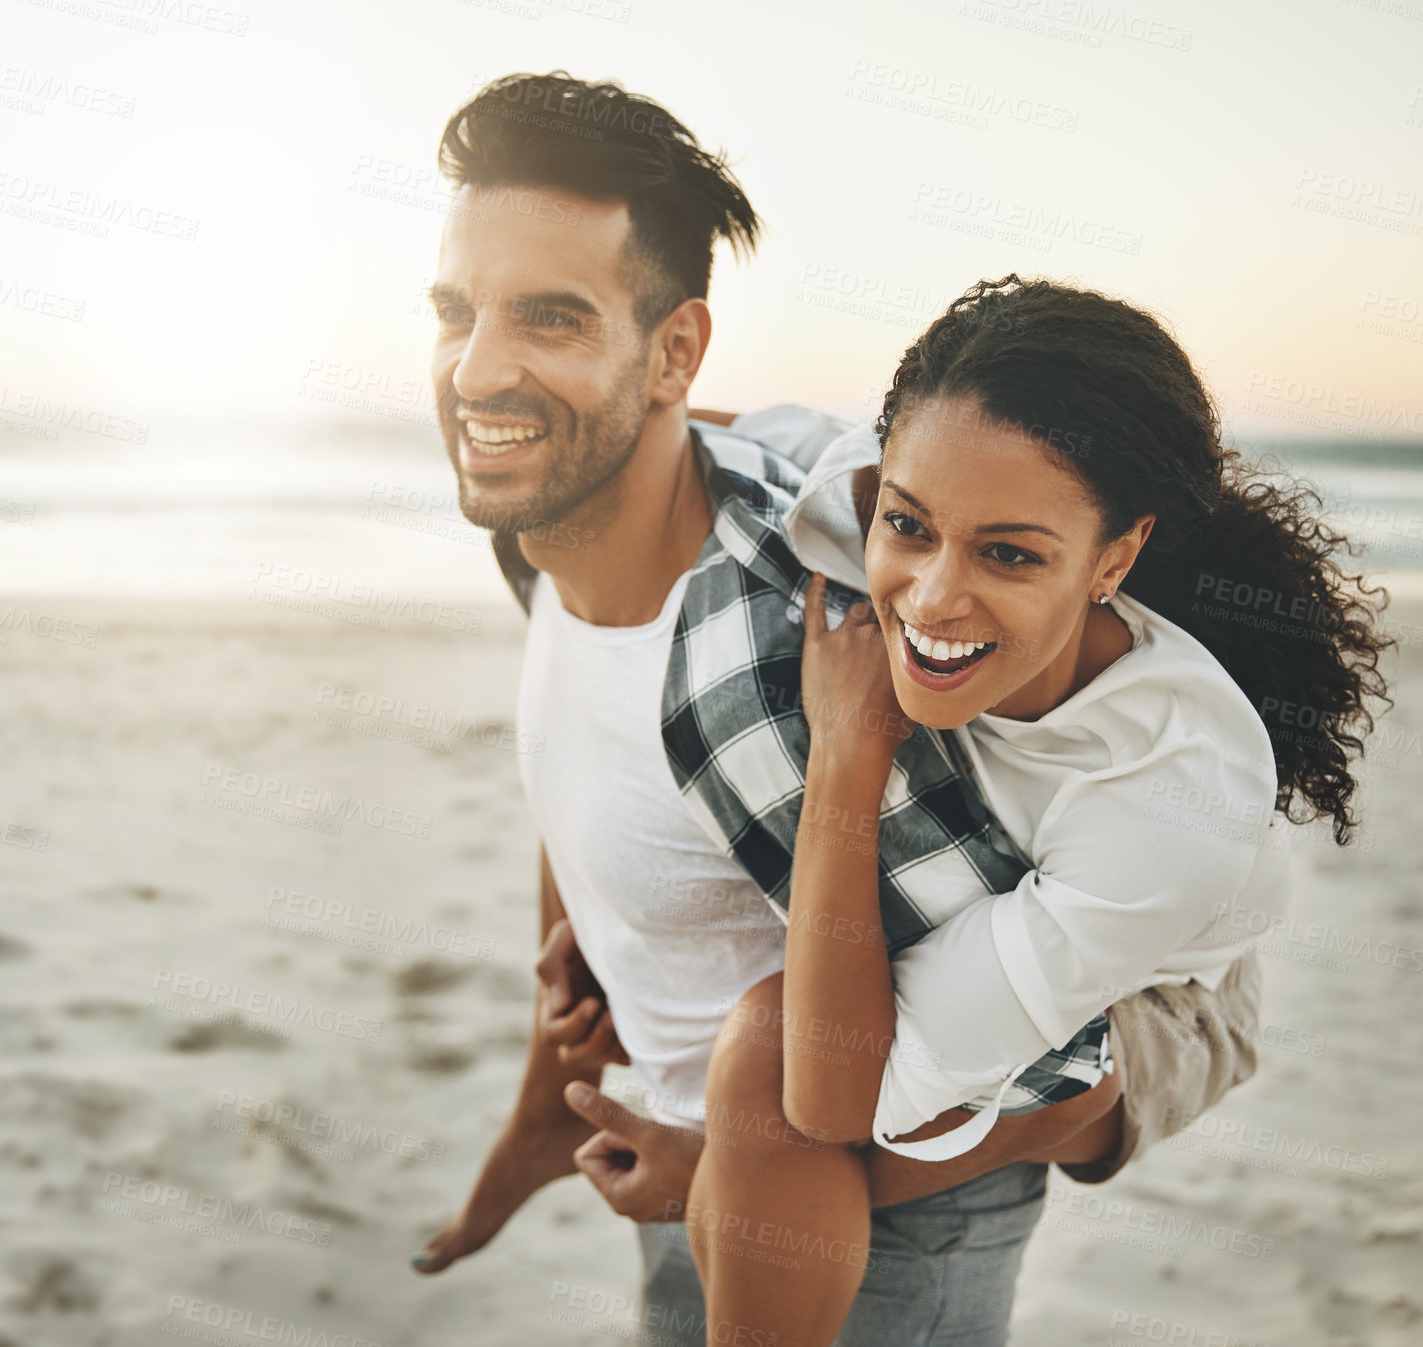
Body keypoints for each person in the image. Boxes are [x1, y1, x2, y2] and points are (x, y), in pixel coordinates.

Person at [405, 72, 1239, 1345]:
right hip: (681, 1162)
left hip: (876, 1226)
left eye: (552, 319)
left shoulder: (810, 673)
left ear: (675, 353)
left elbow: (1076, 1069)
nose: (479, 369)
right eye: (456, 311)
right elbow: (579, 775)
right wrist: (551, 1090)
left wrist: (730, 1185)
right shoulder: (543, 528)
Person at [680, 276, 1393, 1345]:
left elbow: (839, 1100)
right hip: (1057, 874)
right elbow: (701, 437)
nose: (929, 599)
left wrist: (848, 754)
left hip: (1166, 994)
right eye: (907, 525)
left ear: (1114, 557)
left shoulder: (1168, 795)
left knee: (769, 1066)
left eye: (1009, 553)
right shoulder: (859, 484)